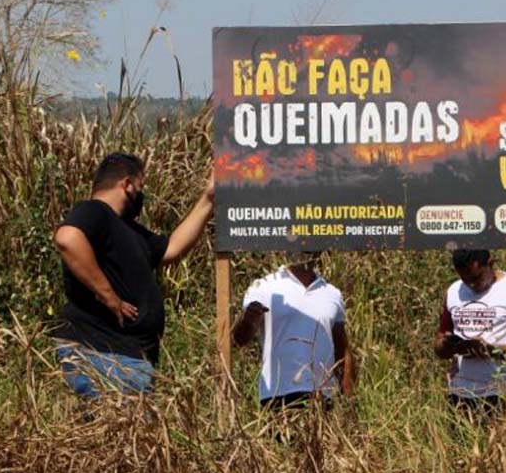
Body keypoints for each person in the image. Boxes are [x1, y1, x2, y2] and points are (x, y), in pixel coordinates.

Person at [52, 152, 213, 399]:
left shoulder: (130, 231)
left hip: (126, 359)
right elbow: (68, 238)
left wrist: (208, 200)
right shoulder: (96, 211)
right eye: (141, 186)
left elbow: (171, 249)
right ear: (127, 185)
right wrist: (109, 297)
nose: (142, 193)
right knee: (116, 436)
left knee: (129, 437)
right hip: (104, 355)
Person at [232, 252, 354, 409]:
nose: (305, 248)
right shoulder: (263, 287)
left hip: (323, 397)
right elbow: (240, 340)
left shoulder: (332, 293)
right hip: (278, 396)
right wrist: (249, 320)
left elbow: (342, 349)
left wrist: (349, 399)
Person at [434, 249, 506, 414]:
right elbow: (440, 343)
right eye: (465, 279)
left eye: (476, 278)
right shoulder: (454, 291)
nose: (471, 285)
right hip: (460, 396)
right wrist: (448, 345)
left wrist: (494, 350)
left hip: (505, 394)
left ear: (491, 263)